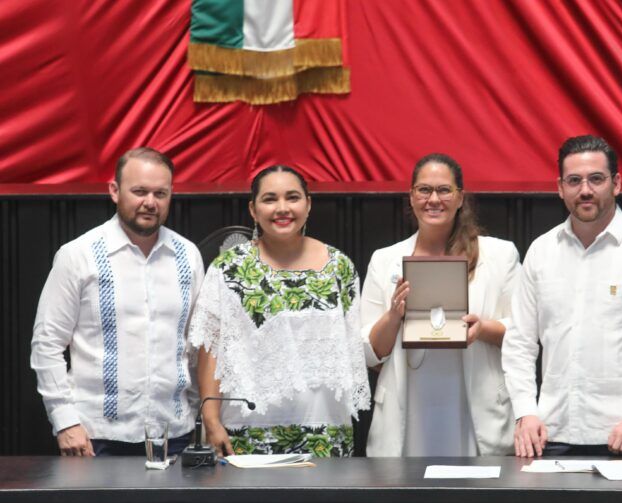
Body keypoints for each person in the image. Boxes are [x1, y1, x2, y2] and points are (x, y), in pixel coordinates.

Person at [502, 135, 622, 457]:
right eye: (574, 181)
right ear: (560, 188)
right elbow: (519, 343)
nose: (585, 190)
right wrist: (525, 412)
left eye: (596, 179)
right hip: (551, 434)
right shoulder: (541, 251)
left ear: (615, 184)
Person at [30, 147, 205, 456]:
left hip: (175, 434)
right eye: (139, 191)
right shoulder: (78, 255)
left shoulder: (188, 256)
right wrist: (65, 422)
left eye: (160, 193)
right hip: (96, 437)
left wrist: (198, 411)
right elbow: (47, 343)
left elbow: (197, 344)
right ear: (114, 191)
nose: (150, 202)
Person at [189, 165, 370, 457]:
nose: (282, 208)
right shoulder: (229, 268)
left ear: (308, 204)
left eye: (293, 197)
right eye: (270, 199)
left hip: (325, 429)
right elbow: (211, 347)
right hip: (246, 431)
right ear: (253, 209)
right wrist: (210, 419)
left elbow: (352, 351)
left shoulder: (340, 267)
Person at [362, 153, 520, 457]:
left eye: (444, 190)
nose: (434, 199)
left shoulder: (499, 255)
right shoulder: (384, 260)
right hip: (407, 412)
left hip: (476, 409)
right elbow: (367, 352)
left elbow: (524, 333)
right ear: (411, 197)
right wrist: (394, 316)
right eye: (424, 190)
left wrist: (482, 328)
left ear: (460, 197)